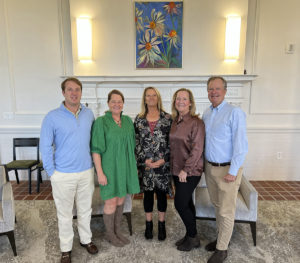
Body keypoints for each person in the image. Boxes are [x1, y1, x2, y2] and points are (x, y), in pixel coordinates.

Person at [40, 77, 98, 263]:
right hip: (62, 174)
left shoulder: (89, 114)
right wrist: (52, 173)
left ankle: (86, 240)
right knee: (64, 214)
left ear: (81, 92)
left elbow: (93, 142)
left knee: (85, 209)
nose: (74, 93)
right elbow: (46, 146)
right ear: (63, 92)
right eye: (70, 89)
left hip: (85, 171)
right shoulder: (52, 117)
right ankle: (65, 249)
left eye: (77, 90)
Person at [203, 76, 248, 263]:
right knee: (217, 206)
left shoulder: (234, 112)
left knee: (226, 211)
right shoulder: (207, 112)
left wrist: (234, 171)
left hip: (227, 170)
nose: (214, 92)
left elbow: (241, 145)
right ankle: (221, 238)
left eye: (217, 89)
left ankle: (222, 249)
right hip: (210, 168)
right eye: (210, 89)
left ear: (225, 91)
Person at [91, 89, 140, 247]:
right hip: (109, 168)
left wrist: (133, 169)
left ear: (123, 103)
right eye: (113, 101)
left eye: (119, 101)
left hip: (125, 167)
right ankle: (110, 234)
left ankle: (117, 230)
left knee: (121, 199)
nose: (116, 104)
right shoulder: (101, 122)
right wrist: (100, 172)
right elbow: (96, 149)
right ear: (108, 103)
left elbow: (132, 146)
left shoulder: (127, 121)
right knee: (111, 201)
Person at [169, 88, 205, 251]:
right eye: (178, 99)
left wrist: (186, 170)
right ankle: (190, 234)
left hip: (190, 171)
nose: (180, 101)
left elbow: (197, 149)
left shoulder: (196, 123)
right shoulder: (175, 121)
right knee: (188, 202)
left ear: (190, 102)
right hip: (176, 170)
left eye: (184, 99)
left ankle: (193, 237)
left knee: (180, 203)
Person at [134, 87, 172, 241]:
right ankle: (148, 224)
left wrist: (164, 159)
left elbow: (172, 141)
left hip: (163, 166)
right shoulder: (139, 119)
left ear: (158, 97)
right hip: (147, 166)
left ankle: (161, 224)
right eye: (148, 95)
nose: (151, 98)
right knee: (148, 195)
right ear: (144, 98)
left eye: (153, 95)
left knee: (162, 195)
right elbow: (136, 143)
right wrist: (144, 161)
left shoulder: (168, 118)